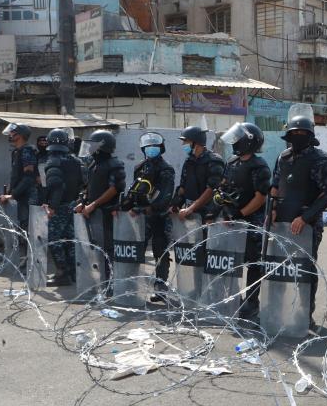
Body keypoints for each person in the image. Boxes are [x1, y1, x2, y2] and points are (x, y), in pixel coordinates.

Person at [270, 106, 327, 328]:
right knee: (279, 269)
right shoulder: (283, 157)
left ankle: (305, 315)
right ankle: (277, 311)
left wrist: (305, 218)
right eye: (293, 134)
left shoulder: (321, 159)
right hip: (281, 223)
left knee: (304, 270)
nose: (297, 138)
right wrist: (271, 211)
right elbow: (275, 186)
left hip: (306, 225)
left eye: (302, 134)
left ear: (310, 136)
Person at [216, 122, 271, 318]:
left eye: (239, 138)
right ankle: (232, 298)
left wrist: (239, 215)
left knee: (253, 263)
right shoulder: (231, 162)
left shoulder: (259, 166)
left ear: (249, 142)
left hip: (251, 221)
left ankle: (251, 302)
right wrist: (225, 211)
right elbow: (222, 187)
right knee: (230, 260)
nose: (235, 141)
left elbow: (260, 197)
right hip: (229, 219)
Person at [120, 132, 176, 300]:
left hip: (159, 216)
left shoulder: (166, 169)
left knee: (160, 250)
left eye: (155, 147)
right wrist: (127, 205)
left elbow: (165, 195)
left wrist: (149, 208)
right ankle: (132, 286)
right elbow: (134, 190)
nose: (151, 150)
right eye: (148, 147)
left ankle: (160, 286)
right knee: (136, 250)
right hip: (139, 217)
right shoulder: (140, 167)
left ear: (161, 148)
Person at [76, 130, 126, 285]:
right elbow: (90, 187)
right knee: (96, 247)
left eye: (94, 145)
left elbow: (114, 189)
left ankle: (111, 283)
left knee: (108, 249)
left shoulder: (115, 164)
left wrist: (93, 205)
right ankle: (101, 281)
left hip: (106, 214)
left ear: (102, 147)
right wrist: (83, 202)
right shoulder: (94, 164)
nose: (90, 148)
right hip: (93, 213)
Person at [41, 129, 83, 287]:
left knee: (54, 240)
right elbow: (82, 182)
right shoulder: (75, 160)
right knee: (69, 239)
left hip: (59, 207)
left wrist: (52, 206)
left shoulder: (53, 161)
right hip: (72, 205)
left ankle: (62, 273)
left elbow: (56, 185)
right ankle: (73, 271)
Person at [171, 125, 225, 222]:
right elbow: (183, 187)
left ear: (195, 143)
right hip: (192, 213)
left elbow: (211, 189)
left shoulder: (214, 161)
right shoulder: (189, 161)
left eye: (186, 141)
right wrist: (175, 205)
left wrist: (191, 208)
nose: (183, 144)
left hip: (208, 213)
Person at [0, 123, 39, 243]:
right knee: (22, 231)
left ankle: (31, 260)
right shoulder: (17, 152)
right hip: (20, 197)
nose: (10, 135)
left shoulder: (27, 150)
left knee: (29, 231)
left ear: (19, 135)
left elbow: (28, 177)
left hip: (28, 197)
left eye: (12, 133)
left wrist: (13, 194)